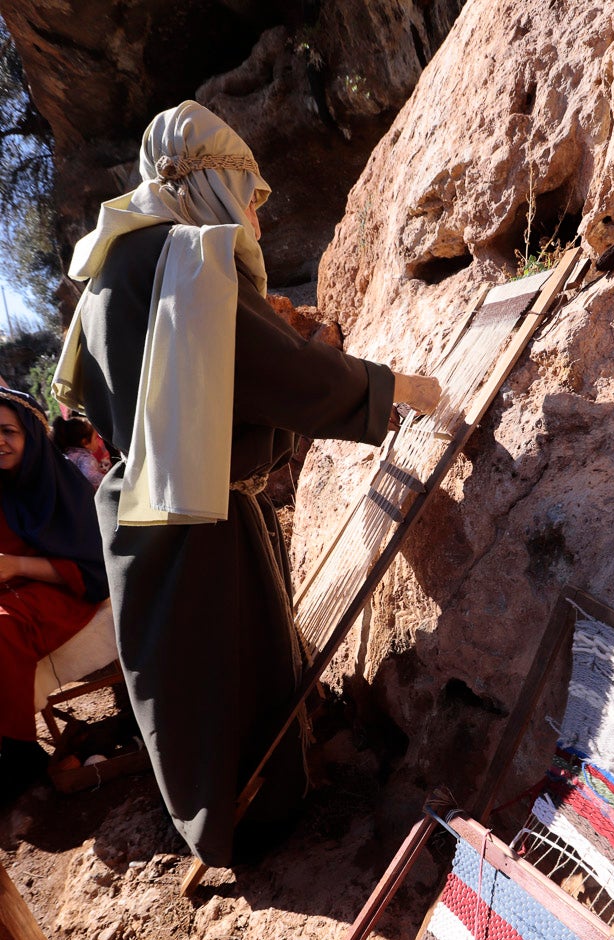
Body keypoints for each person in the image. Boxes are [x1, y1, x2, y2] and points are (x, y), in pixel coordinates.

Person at [52, 100, 441, 867]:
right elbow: (277, 372)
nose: (255, 221)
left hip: (141, 513)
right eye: (245, 193)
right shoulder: (182, 257)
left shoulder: (107, 270)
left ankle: (206, 815)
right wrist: (393, 389)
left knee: (180, 679)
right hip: (196, 519)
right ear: (204, 181)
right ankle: (262, 817)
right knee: (228, 668)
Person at [0, 388, 109, 798]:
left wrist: (17, 566)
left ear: (30, 432)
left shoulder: (61, 484)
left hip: (62, 589)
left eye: (8, 430)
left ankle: (19, 752)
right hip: (11, 590)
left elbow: (93, 569)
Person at [52, 414, 109, 490]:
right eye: (95, 438)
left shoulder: (68, 455)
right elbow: (89, 476)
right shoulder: (86, 458)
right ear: (85, 442)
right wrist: (109, 479)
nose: (98, 442)